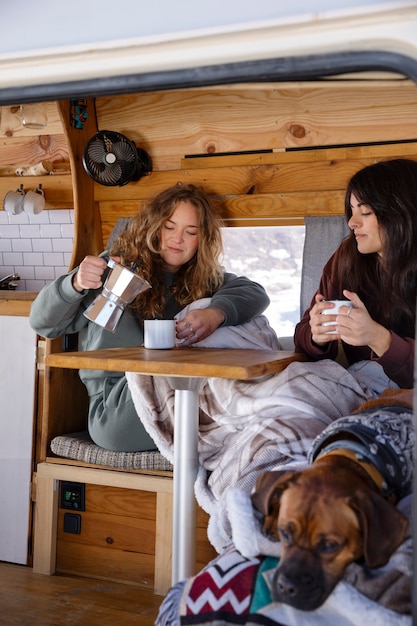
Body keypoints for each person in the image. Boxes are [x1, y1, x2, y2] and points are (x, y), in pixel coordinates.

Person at [30, 183, 270, 452]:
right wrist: (73, 283)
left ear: (201, 240)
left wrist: (215, 314)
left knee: (249, 357)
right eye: (169, 227)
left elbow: (255, 292)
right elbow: (42, 324)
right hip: (117, 405)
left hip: (175, 386)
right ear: (153, 226)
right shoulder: (114, 268)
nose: (177, 238)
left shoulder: (203, 281)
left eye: (190, 232)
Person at [294, 158, 417, 389]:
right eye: (351, 211)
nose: (351, 222)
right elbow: (303, 335)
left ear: (402, 214)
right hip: (358, 385)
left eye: (365, 212)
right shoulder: (346, 258)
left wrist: (380, 339)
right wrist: (315, 336)